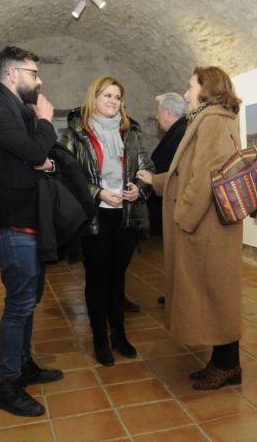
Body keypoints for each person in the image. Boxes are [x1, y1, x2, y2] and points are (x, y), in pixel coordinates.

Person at [137, 67, 243, 390]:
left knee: (216, 295)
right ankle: (223, 362)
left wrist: (182, 218)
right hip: (206, 224)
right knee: (213, 293)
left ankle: (227, 366)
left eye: (190, 86)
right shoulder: (212, 119)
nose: (186, 93)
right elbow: (186, 172)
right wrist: (156, 181)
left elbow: (202, 179)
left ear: (206, 88)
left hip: (205, 226)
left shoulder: (211, 121)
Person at [0, 46, 63, 417]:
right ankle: (7, 385)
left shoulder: (10, 112)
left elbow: (38, 156)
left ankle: (23, 365)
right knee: (19, 304)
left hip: (27, 221)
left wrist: (38, 155)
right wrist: (44, 120)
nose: (39, 81)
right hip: (13, 224)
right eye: (34, 73)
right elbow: (34, 150)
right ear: (12, 74)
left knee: (29, 300)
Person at [59, 76, 154, 367]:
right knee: (98, 280)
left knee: (118, 278)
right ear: (94, 98)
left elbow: (146, 168)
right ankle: (99, 339)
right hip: (94, 216)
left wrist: (141, 188)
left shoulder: (132, 132)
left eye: (117, 97)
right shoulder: (75, 133)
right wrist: (98, 192)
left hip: (126, 215)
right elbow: (67, 176)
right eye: (107, 95)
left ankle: (119, 336)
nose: (113, 101)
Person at [149, 93, 187, 306]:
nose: (157, 117)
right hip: (170, 200)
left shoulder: (181, 133)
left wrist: (153, 179)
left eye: (158, 112)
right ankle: (176, 294)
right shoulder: (178, 131)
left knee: (180, 256)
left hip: (176, 202)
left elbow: (180, 172)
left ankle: (180, 296)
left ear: (169, 112)